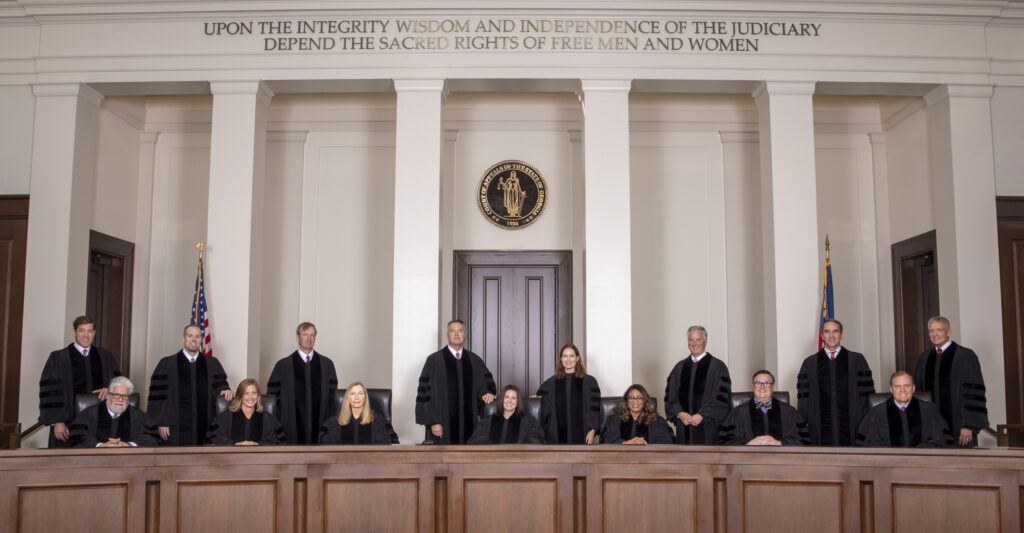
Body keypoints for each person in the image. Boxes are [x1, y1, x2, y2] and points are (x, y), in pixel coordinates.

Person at [38, 315, 122, 448]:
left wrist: (110, 388)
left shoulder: (105, 356)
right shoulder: (58, 358)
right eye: (82, 330)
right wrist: (58, 421)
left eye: (89, 331)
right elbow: (51, 393)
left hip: (99, 423)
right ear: (74, 332)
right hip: (67, 425)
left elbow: (120, 384)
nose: (86, 335)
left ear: (94, 333)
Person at [147, 324, 232, 445]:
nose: (193, 340)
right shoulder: (167, 364)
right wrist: (161, 422)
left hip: (205, 426)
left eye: (197, 336)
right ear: (183, 338)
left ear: (201, 340)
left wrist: (225, 389)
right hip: (174, 426)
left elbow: (220, 386)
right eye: (190, 336)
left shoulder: (212, 364)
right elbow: (158, 397)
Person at [414, 320, 496, 444]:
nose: (456, 334)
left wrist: (487, 393)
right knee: (441, 461)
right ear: (447, 335)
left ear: (465, 334)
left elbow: (484, 386)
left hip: (470, 425)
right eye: (452, 331)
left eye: (460, 331)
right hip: (441, 426)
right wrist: (434, 421)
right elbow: (426, 394)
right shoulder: (434, 361)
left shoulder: (474, 360)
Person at [796, 319, 875, 446]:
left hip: (853, 425)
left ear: (841, 335)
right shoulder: (809, 363)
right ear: (822, 335)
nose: (831, 336)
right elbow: (803, 399)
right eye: (827, 332)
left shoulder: (857, 360)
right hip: (818, 426)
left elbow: (867, 395)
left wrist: (864, 422)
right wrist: (806, 422)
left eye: (835, 331)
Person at [913, 316, 988, 447]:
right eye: (931, 331)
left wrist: (969, 425)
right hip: (931, 430)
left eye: (939, 330)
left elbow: (974, 393)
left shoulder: (965, 356)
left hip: (960, 427)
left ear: (948, 332)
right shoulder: (924, 359)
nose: (935, 334)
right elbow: (919, 395)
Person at [266, 322, 338, 444]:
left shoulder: (327, 365)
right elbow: (273, 398)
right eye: (305, 334)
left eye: (312, 335)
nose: (309, 338)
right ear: (297, 337)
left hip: (321, 423)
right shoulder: (283, 366)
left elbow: (332, 398)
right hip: (290, 427)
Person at [664, 325, 732, 444]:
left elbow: (722, 400)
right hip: (683, 430)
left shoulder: (718, 367)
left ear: (705, 341)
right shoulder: (679, 368)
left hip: (708, 430)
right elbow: (670, 397)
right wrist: (680, 413)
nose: (694, 343)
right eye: (691, 340)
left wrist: (702, 415)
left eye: (698, 340)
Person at [856, 371, 953, 448]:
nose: (903, 390)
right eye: (898, 386)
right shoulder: (877, 413)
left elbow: (941, 441)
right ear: (891, 389)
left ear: (913, 388)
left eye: (907, 386)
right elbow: (868, 445)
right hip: (889, 468)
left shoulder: (929, 410)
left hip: (922, 466)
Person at [719, 370, 809, 446]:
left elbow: (803, 440)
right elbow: (725, 441)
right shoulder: (738, 413)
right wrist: (748, 444)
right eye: (758, 383)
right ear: (753, 386)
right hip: (748, 461)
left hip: (780, 462)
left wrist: (779, 443)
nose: (762, 387)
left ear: (773, 386)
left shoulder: (789, 412)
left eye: (766, 383)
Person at [536, 343, 602, 444]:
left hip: (584, 434)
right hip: (556, 437)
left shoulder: (589, 382)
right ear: (561, 359)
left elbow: (594, 410)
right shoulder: (550, 383)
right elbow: (543, 410)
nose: (568, 359)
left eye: (571, 356)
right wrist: (537, 400)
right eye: (565, 356)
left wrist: (593, 430)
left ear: (577, 358)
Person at [68, 376, 159, 448]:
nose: (120, 399)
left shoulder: (140, 416)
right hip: (95, 464)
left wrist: (129, 445)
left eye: (125, 396)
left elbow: (154, 438)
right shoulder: (88, 415)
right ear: (107, 395)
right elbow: (76, 437)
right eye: (116, 395)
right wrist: (100, 446)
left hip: (129, 464)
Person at [205, 379, 285, 446]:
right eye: (246, 393)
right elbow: (211, 441)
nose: (251, 397)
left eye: (254, 393)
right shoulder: (224, 418)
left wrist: (257, 444)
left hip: (261, 462)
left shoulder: (269, 419)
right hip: (230, 462)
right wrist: (235, 444)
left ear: (258, 396)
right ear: (240, 396)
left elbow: (281, 442)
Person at [319, 382, 393, 444]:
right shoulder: (335, 421)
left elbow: (393, 442)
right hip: (342, 460)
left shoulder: (378, 420)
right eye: (353, 394)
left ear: (365, 398)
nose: (356, 397)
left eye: (360, 393)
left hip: (370, 460)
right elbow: (322, 441)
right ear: (348, 398)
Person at [468, 385, 545, 444]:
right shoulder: (487, 422)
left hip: (520, 462)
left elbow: (538, 442)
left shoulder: (529, 422)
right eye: (506, 397)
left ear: (518, 402)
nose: (510, 401)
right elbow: (475, 442)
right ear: (502, 400)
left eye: (514, 398)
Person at [601, 384, 674, 445]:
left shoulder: (656, 420)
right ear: (626, 400)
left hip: (648, 460)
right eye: (631, 397)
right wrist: (626, 443)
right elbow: (606, 441)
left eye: (639, 398)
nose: (635, 401)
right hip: (621, 460)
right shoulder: (615, 419)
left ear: (645, 400)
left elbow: (666, 443)